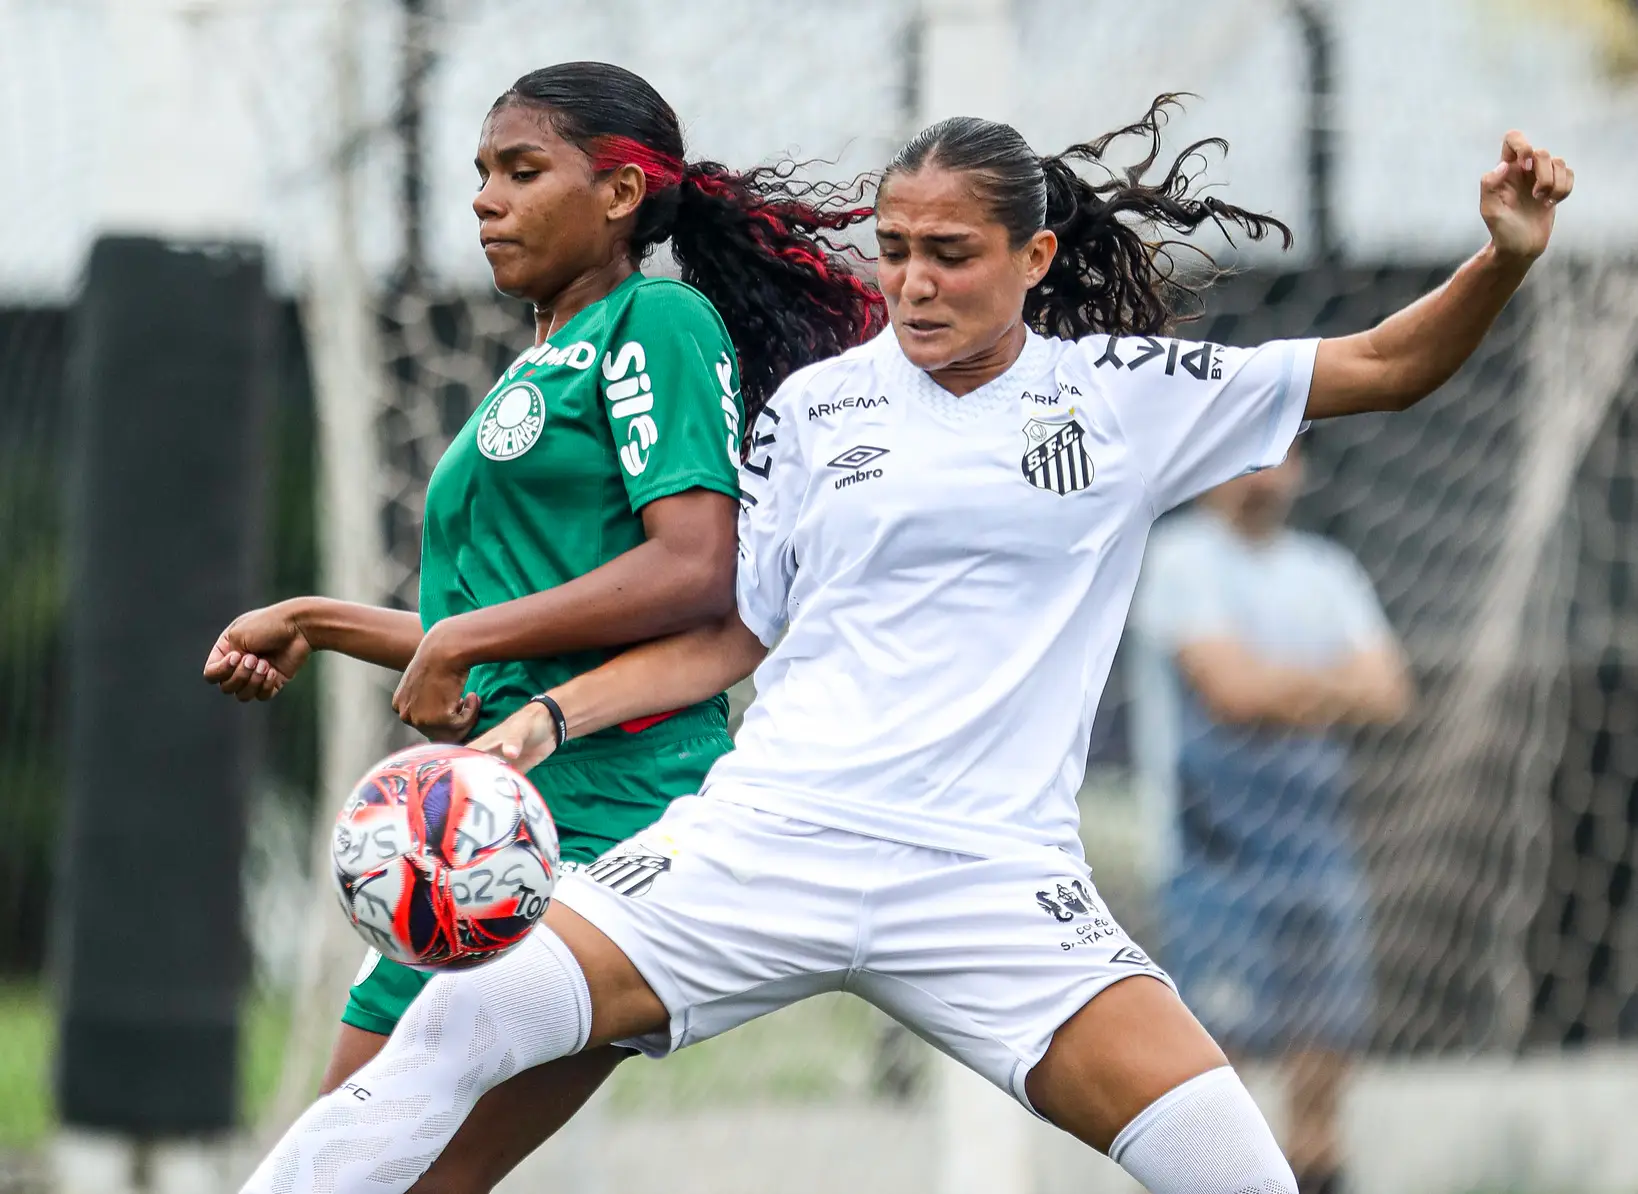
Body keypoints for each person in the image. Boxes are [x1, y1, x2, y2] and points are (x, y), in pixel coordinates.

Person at [240, 99, 1574, 1194]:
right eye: (894, 249)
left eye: (951, 252)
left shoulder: (1121, 397)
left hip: (991, 881)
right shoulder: (819, 410)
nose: (914, 281)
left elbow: (1389, 364)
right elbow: (727, 636)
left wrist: (1504, 255)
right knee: (463, 1016)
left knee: (1238, 1171)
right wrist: (544, 719)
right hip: (767, 839)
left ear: (1032, 263)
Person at [203, 61, 881, 1192]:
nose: (486, 199)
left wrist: (460, 646)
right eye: (480, 174)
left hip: (610, 809)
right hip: (483, 820)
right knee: (339, 1164)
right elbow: (480, 630)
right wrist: (312, 620)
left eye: (523, 171)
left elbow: (696, 563)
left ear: (620, 195)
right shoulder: (543, 356)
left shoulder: (654, 321)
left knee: (404, 1178)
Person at [1129, 442, 1413, 1194]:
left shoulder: (1327, 569)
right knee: (1220, 1087)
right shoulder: (1180, 556)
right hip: (1211, 858)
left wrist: (1276, 688)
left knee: (1321, 1081)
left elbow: (1389, 691)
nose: (1262, 477)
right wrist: (1327, 687)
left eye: (1278, 459)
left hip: (1318, 855)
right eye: (1243, 460)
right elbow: (1231, 692)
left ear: (1302, 471)